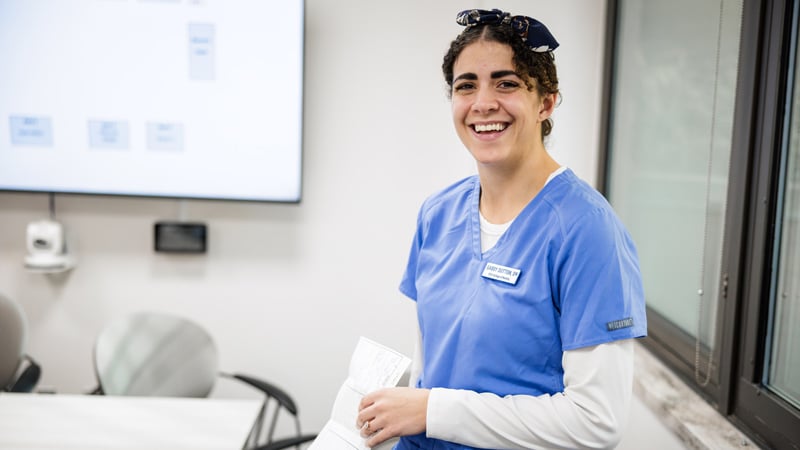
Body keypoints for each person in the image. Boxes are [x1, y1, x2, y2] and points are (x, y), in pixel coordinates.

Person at [356, 8, 647, 450]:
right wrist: (405, 412)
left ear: (545, 102)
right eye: (465, 85)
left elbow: (596, 421)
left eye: (506, 83)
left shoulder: (587, 232)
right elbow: (430, 365)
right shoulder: (439, 213)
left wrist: (433, 410)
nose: (483, 102)